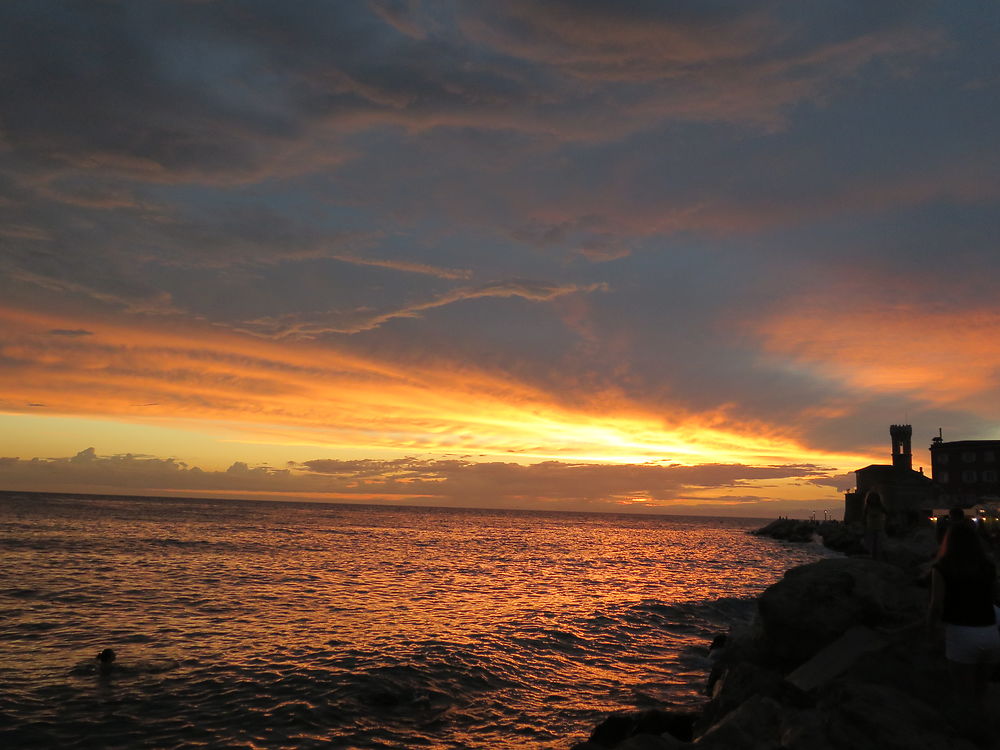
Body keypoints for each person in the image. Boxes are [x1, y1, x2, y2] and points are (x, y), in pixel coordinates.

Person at [927, 521, 1000, 709]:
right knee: (980, 693)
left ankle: (966, 732)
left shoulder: (942, 567)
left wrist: (931, 630)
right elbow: (991, 598)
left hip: (962, 634)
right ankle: (983, 733)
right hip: (991, 634)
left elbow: (936, 605)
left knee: (963, 695)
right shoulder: (988, 567)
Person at [863, 495, 888, 561]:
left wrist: (885, 522)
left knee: (878, 543)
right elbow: (864, 517)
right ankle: (873, 557)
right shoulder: (867, 507)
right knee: (871, 543)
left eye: (875, 499)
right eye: (872, 499)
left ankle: (877, 558)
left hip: (879, 527)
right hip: (870, 527)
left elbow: (887, 513)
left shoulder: (880, 507)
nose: (873, 500)